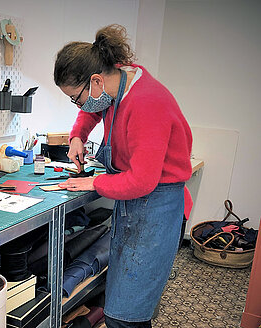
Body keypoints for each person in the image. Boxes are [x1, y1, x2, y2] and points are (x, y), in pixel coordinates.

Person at [54, 24, 193, 328]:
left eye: (75, 98)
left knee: (125, 316)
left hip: (156, 207)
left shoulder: (147, 103)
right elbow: (92, 109)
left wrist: (94, 182)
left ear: (96, 81)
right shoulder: (116, 83)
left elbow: (142, 180)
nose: (78, 105)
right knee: (122, 303)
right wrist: (77, 136)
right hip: (135, 205)